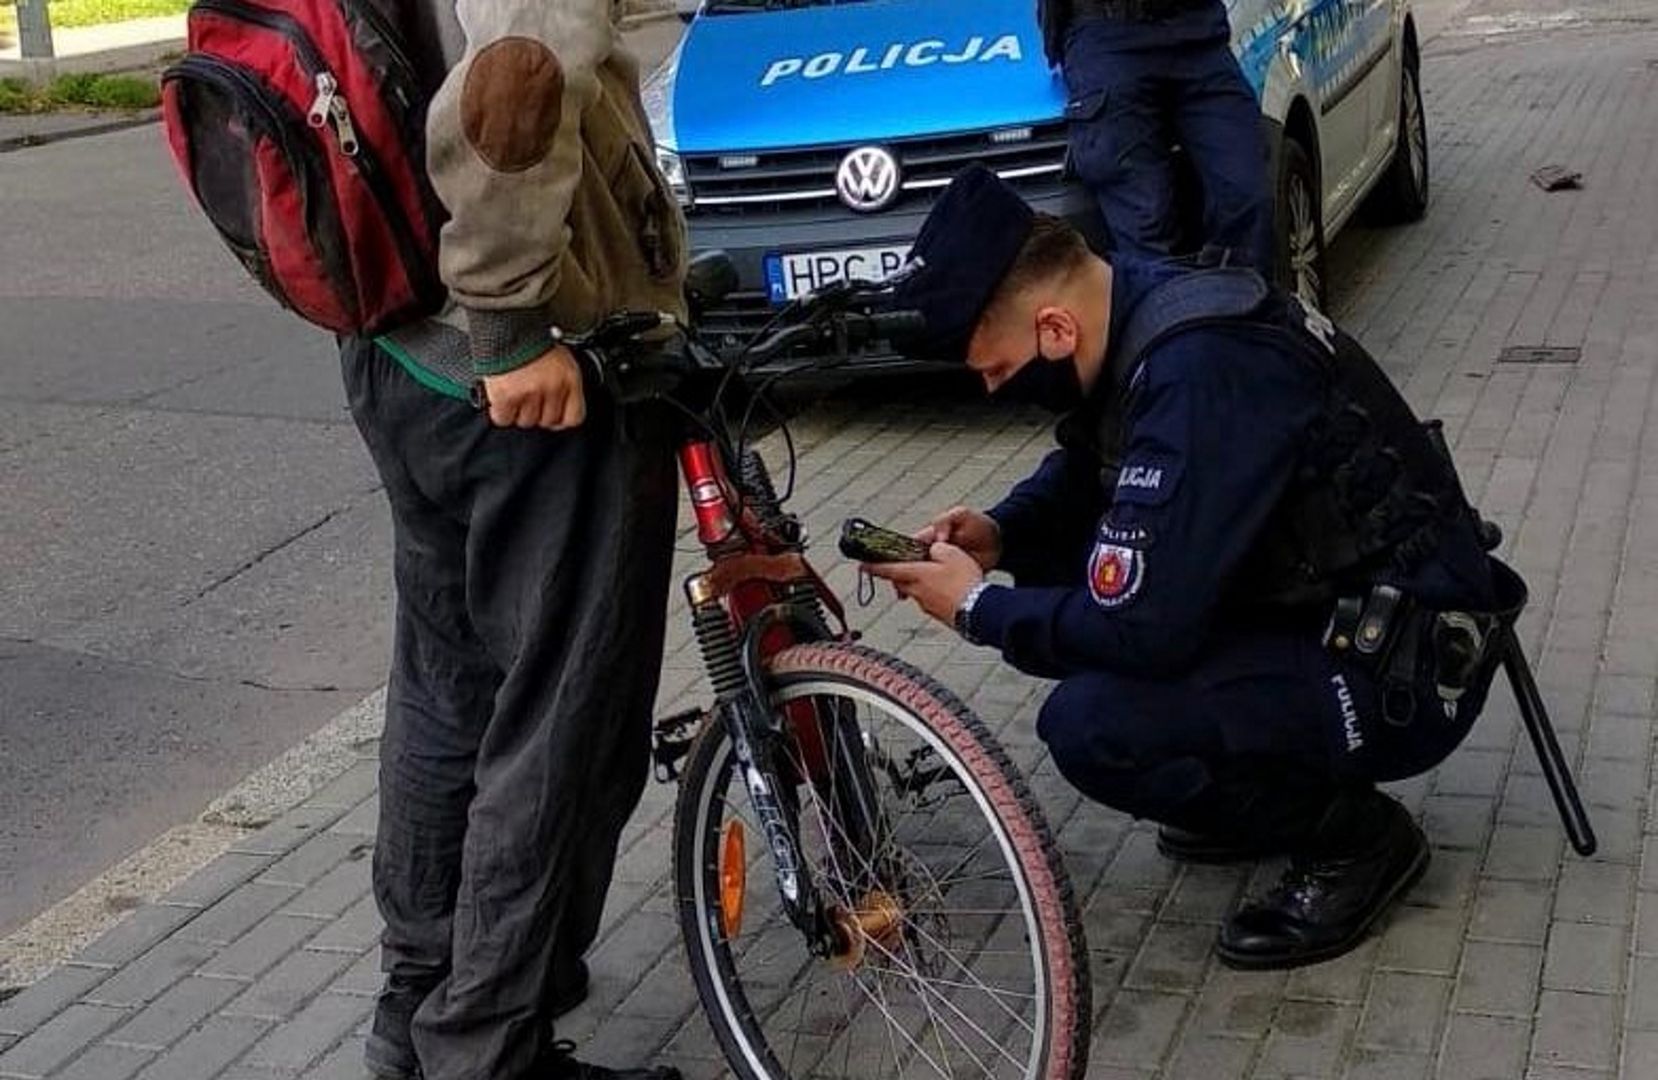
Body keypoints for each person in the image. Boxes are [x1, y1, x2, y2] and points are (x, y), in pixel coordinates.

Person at [869, 165, 1511, 969]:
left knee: (1094, 725)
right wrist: (1001, 532)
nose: (994, 389)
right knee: (1068, 571)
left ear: (1056, 330)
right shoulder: (1141, 302)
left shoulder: (1201, 371)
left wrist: (975, 609)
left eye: (994, 368)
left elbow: (1141, 630)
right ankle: (1250, 783)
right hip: (1338, 605)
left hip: (1402, 671)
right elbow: (1087, 464)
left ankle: (1359, 841)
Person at [341, 1, 687, 1077]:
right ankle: (488, 1043)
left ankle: (420, 1006)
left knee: (448, 693)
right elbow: (520, 70)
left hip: (394, 339)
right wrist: (511, 327)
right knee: (559, 720)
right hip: (524, 373)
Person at [1041, 0, 1275, 270]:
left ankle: (1239, 304)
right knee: (1146, 227)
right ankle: (1168, 308)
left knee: (1248, 195)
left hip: (1198, 30)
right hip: (1107, 33)